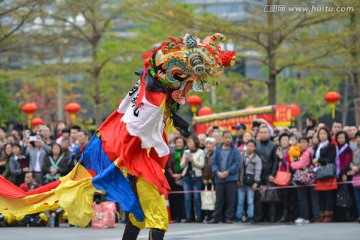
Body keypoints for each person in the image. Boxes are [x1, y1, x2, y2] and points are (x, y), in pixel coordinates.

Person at [208, 130, 241, 224]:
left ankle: (229, 217)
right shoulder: (217, 149)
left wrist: (228, 172)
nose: (227, 139)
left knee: (230, 199)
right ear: (222, 138)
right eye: (225, 137)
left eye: (229, 137)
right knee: (219, 199)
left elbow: (237, 163)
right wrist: (217, 172)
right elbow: (213, 162)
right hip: (219, 178)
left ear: (232, 138)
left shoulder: (235, 150)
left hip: (231, 178)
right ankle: (216, 217)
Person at [255, 126, 278, 223]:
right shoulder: (256, 145)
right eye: (262, 132)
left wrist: (273, 174)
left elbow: (275, 161)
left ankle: (272, 216)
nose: (263, 134)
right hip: (259, 174)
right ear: (259, 134)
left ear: (269, 134)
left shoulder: (273, 145)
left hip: (269, 174)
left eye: (265, 132)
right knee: (259, 196)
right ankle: (260, 216)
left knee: (271, 196)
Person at [313, 127, 337, 222]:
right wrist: (315, 162)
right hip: (318, 172)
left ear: (328, 135)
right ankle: (322, 214)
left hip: (327, 172)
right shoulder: (317, 146)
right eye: (320, 134)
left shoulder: (331, 146)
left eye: (324, 133)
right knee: (320, 195)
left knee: (328, 195)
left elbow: (331, 159)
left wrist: (319, 160)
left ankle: (329, 214)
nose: (322, 135)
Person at [180, 136, 205, 223]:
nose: (189, 144)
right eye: (188, 142)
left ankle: (199, 216)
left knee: (197, 197)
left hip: (196, 176)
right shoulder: (186, 151)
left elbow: (201, 165)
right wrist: (186, 160)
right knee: (187, 197)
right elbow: (181, 165)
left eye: (191, 142)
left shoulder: (201, 152)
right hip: (186, 176)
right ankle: (188, 217)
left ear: (195, 142)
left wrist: (193, 160)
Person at [236, 139, 261, 223]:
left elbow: (258, 171)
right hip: (241, 181)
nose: (250, 147)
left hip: (251, 183)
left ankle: (250, 216)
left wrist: (256, 182)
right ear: (246, 146)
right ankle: (238, 217)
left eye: (252, 146)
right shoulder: (241, 156)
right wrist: (238, 180)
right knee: (240, 201)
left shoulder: (257, 158)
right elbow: (238, 169)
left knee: (250, 201)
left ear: (255, 147)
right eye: (248, 145)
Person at [291, 137, 315, 224]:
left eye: (304, 142)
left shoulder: (307, 152)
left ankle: (304, 216)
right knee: (302, 198)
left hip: (304, 178)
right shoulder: (302, 152)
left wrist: (292, 164)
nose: (302, 144)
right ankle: (304, 216)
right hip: (303, 177)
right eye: (301, 142)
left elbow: (301, 164)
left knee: (302, 198)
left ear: (308, 143)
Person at [166, 136, 186, 223]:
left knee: (184, 198)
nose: (179, 144)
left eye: (180, 142)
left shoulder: (186, 153)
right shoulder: (172, 153)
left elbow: (187, 166)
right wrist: (173, 175)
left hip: (184, 177)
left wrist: (181, 174)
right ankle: (176, 216)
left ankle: (185, 215)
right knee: (175, 199)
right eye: (177, 142)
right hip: (173, 179)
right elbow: (169, 166)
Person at [334, 131, 353, 222]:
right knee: (338, 196)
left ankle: (344, 215)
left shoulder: (347, 148)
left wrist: (344, 173)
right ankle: (338, 215)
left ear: (345, 138)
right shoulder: (336, 148)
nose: (340, 139)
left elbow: (347, 162)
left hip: (344, 174)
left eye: (342, 137)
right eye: (339, 138)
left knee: (344, 196)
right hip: (336, 174)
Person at [202, 137, 216, 222]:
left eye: (211, 144)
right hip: (205, 180)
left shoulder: (215, 154)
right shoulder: (205, 155)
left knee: (213, 199)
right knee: (207, 198)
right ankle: (208, 215)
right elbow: (204, 168)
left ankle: (213, 216)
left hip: (213, 180)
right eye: (207, 144)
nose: (209, 145)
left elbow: (214, 167)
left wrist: (212, 178)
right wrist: (204, 178)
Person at [349, 130, 360, 222]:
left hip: (357, 172)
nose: (359, 139)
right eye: (358, 137)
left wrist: (357, 168)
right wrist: (353, 167)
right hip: (356, 177)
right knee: (357, 199)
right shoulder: (355, 150)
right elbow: (351, 162)